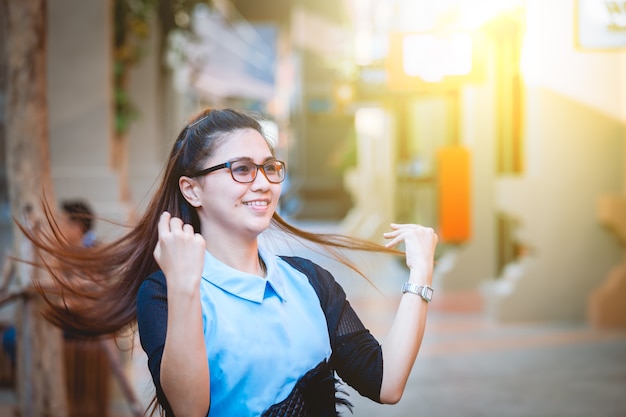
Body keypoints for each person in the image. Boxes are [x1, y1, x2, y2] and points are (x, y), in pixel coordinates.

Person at [22, 107, 438, 417]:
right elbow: (188, 409)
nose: (262, 183)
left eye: (269, 168)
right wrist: (184, 284)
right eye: (241, 169)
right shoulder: (165, 292)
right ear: (192, 189)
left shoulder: (309, 280)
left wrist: (419, 273)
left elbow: (385, 382)